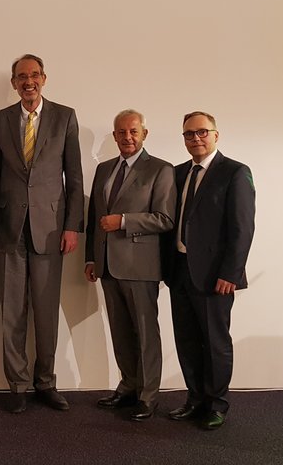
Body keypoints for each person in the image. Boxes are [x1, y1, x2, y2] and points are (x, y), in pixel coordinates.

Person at [0, 54, 84, 413]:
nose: (29, 82)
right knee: (13, 310)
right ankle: (18, 385)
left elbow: (74, 177)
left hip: (51, 229)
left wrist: (72, 225)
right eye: (21, 77)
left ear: (44, 78)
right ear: (13, 83)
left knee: (46, 310)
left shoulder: (65, 116)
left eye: (34, 75)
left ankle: (46, 382)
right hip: (9, 229)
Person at [165, 111, 255, 430]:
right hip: (179, 271)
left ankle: (216, 404)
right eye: (189, 134)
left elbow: (242, 228)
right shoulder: (177, 173)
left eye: (202, 132)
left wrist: (231, 273)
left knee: (215, 342)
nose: (196, 139)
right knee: (186, 340)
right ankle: (195, 398)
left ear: (216, 135)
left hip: (216, 277)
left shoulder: (235, 172)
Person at [84, 109, 176, 421]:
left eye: (133, 132)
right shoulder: (105, 169)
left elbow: (165, 219)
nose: (127, 138)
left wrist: (123, 221)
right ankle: (128, 386)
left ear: (144, 134)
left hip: (141, 266)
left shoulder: (161, 170)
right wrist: (91, 258)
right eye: (121, 133)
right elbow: (94, 219)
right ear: (114, 136)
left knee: (146, 333)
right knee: (121, 331)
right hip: (108, 266)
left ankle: (149, 396)